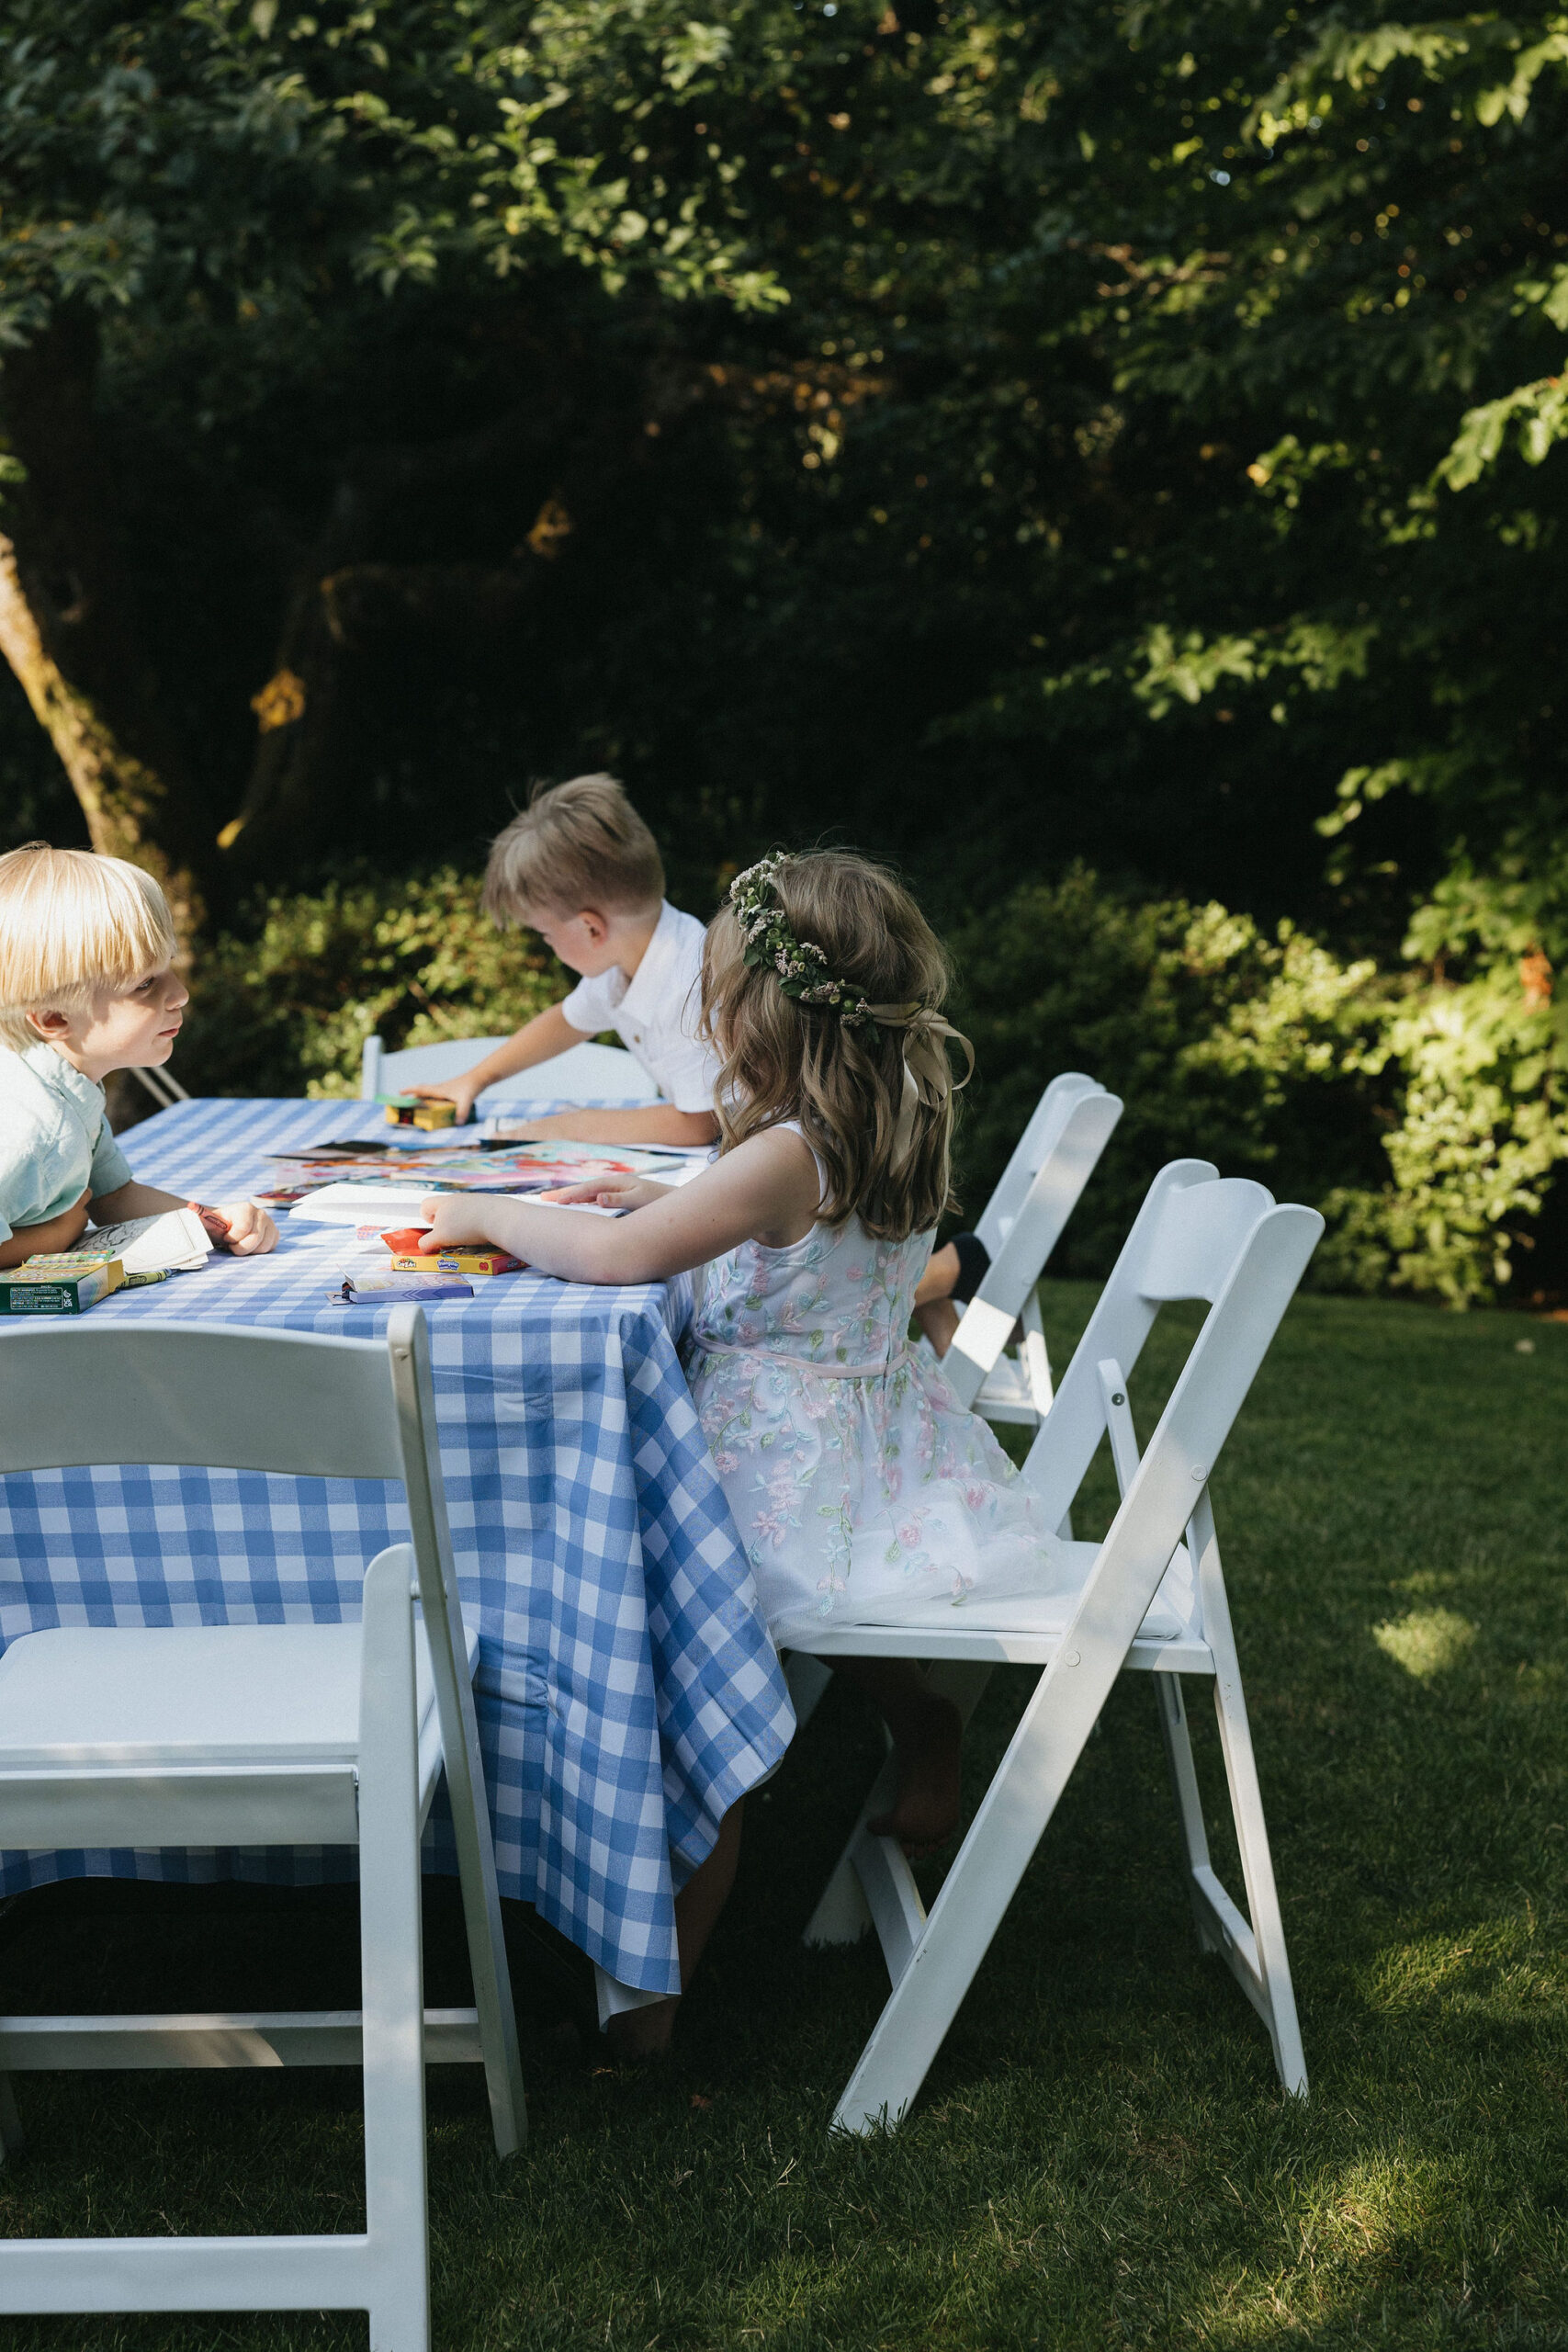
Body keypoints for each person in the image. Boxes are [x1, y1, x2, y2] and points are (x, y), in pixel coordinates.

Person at [416, 847, 1067, 2052]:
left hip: (774, 1459)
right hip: (871, 1441)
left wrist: (482, 1214)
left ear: (752, 1011)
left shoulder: (781, 1152)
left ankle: (649, 2004)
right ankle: (911, 1718)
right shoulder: (893, 1108)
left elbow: (625, 1264)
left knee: (671, 1649)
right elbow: (732, 1236)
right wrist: (640, 1207)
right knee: (742, 1602)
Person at [0, 844, 277, 1269]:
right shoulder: (27, 1129)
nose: (180, 993)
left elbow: (113, 1195)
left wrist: (213, 1220)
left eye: (169, 966)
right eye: (146, 983)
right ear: (54, 1018)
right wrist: (56, 1234)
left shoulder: (66, 1089)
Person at [410, 774, 721, 1147]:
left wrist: (574, 1126)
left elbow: (699, 1124)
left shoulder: (688, 985)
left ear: (591, 929)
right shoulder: (629, 960)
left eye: (545, 934)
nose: (546, 944)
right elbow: (567, 1021)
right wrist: (474, 1080)